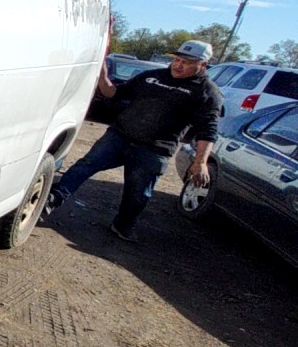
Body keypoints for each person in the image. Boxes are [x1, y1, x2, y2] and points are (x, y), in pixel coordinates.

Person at [44, 39, 223, 242]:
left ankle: (123, 225)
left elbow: (208, 131)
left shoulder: (207, 92)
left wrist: (200, 163)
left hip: (153, 151)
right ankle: (53, 198)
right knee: (84, 166)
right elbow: (114, 93)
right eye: (177, 59)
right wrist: (101, 70)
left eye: (187, 62)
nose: (178, 65)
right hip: (118, 137)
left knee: (137, 194)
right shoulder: (151, 77)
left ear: (203, 65)